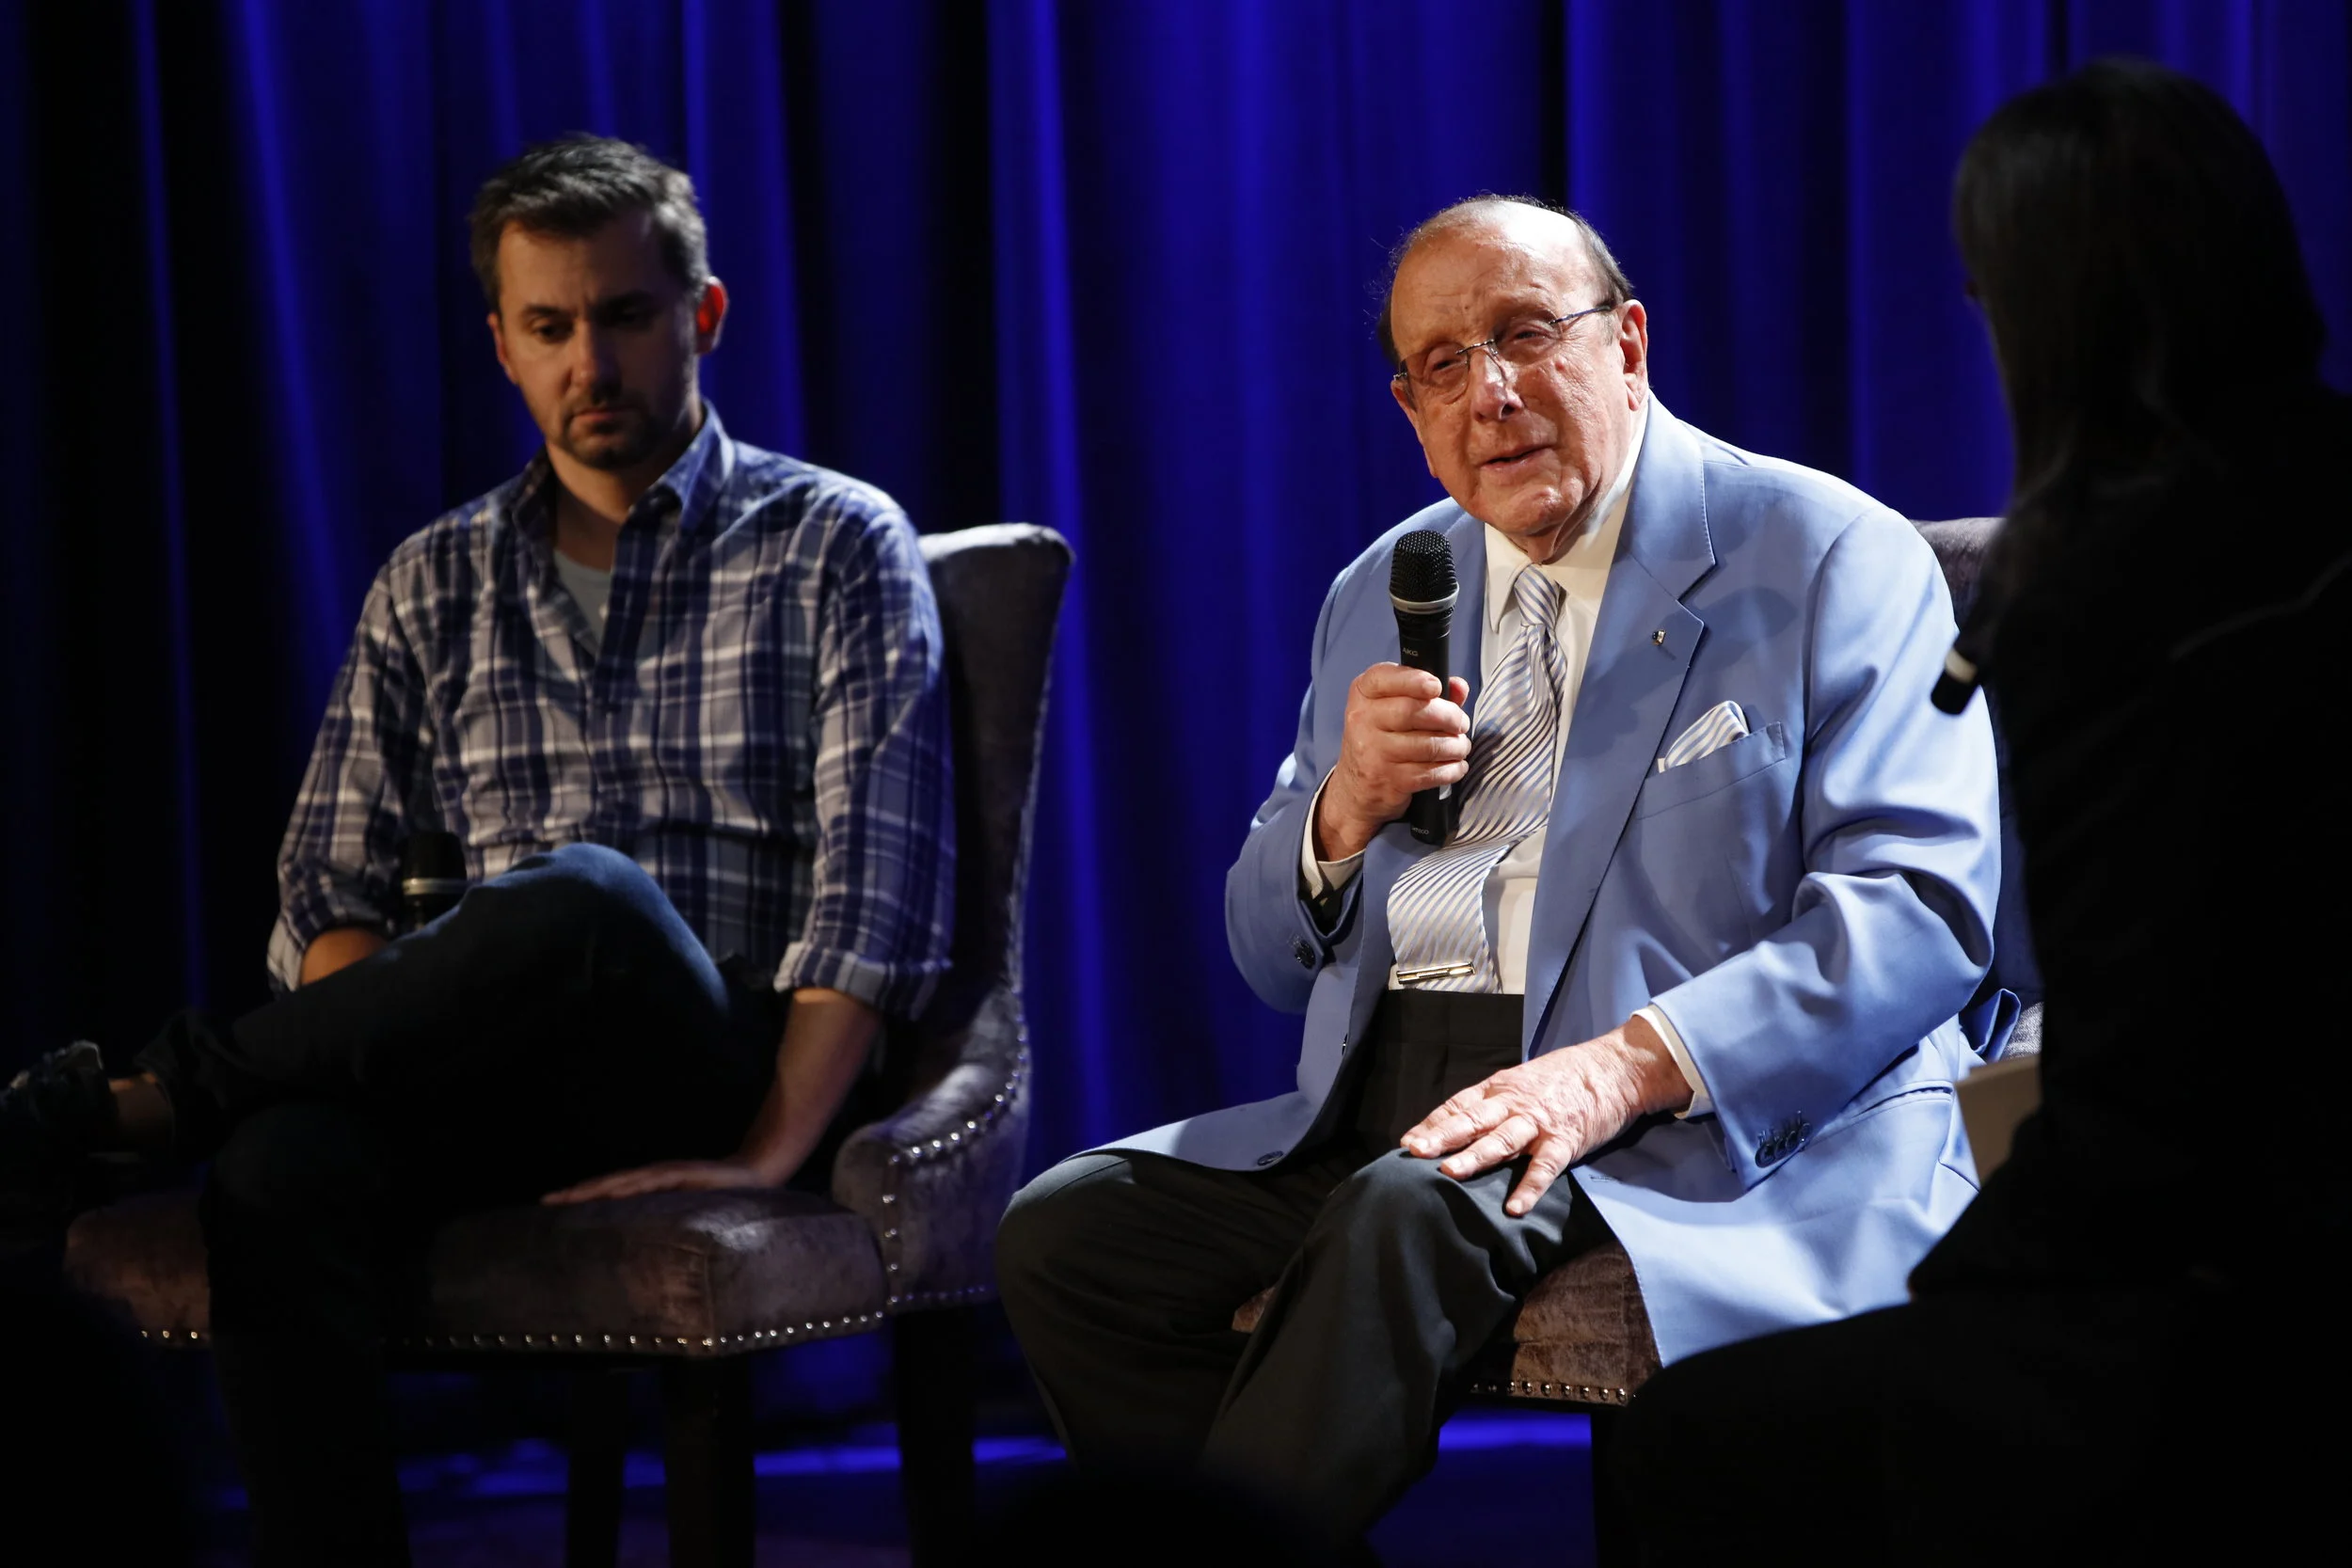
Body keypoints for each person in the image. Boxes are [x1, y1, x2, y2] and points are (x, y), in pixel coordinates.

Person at [995, 193, 2008, 1542]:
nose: (1493, 392)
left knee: (1401, 1219)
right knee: (1069, 1236)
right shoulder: (1382, 585)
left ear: (1627, 344)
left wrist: (1616, 1070)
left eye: (1527, 334)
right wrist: (1343, 812)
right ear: (1410, 409)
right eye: (1444, 365)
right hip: (1392, 1097)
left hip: (1677, 1107)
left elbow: (1917, 907)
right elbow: (1261, 954)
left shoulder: (1824, 550)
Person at [0, 135, 954, 1564]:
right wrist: (373, 1053)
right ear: (503, 344)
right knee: (275, 1171)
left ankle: (152, 1097)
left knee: (588, 896)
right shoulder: (432, 579)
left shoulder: (838, 543)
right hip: (484, 1075)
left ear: (702, 315)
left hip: (721, 1054)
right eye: (550, 328)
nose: (592, 365)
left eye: (625, 317)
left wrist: (766, 1151)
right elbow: (327, 891)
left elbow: (874, 904)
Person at [1606, 59, 2352, 1560]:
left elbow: (2150, 1071)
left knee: (1693, 1446)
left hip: (2228, 1269)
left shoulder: (2099, 592)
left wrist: (1974, 1264)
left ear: (2043, 312)